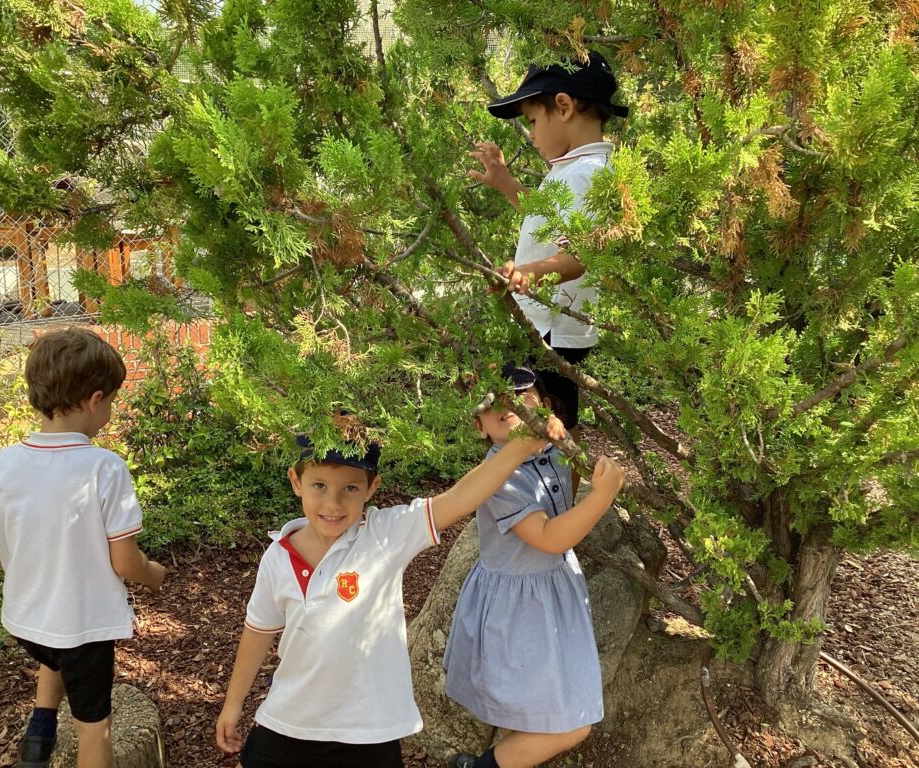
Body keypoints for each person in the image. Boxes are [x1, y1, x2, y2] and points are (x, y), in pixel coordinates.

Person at [215, 411, 565, 768]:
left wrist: (523, 445)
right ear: (296, 481)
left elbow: (460, 498)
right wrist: (233, 704)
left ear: (372, 487)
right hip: (286, 725)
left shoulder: (385, 535)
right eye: (319, 485)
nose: (333, 504)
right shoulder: (278, 555)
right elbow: (257, 632)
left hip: (369, 733)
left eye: (350, 488)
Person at [0, 328, 166, 768]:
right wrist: (154, 574)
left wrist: (22, 561)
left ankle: (40, 731)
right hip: (84, 632)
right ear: (94, 399)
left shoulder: (1, 462)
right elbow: (125, 561)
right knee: (94, 729)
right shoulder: (104, 468)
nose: (108, 411)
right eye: (110, 402)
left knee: (55, 649)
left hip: (25, 625)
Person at [444, 362, 625, 768]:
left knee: (530, 715)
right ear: (481, 428)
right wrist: (602, 496)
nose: (509, 405)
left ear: (545, 407)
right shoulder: (498, 479)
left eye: (523, 396)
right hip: (519, 610)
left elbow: (564, 476)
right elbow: (550, 538)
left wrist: (555, 435)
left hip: (551, 595)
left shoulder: (550, 451)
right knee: (571, 724)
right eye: (494, 405)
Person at [469, 52, 629, 433]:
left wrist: (526, 273)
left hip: (553, 329)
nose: (533, 134)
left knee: (552, 428)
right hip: (547, 324)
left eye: (533, 121)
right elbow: (546, 217)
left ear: (564, 105)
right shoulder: (574, 170)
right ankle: (557, 489)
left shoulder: (585, 174)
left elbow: (579, 257)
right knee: (549, 423)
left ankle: (561, 493)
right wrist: (508, 184)